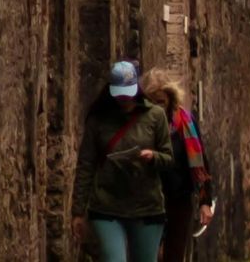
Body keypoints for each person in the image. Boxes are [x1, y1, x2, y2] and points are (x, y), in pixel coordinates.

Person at [73, 60, 176, 262]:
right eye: (119, 93)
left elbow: (169, 158)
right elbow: (85, 166)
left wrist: (153, 157)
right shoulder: (98, 120)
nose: (124, 99)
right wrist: (77, 211)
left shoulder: (155, 116)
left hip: (146, 207)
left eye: (128, 93)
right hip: (107, 207)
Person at [142, 68, 217, 262]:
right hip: (148, 200)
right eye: (152, 102)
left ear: (170, 100)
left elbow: (201, 163)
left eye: (161, 102)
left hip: (179, 199)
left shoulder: (185, 123)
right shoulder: (140, 124)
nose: (157, 107)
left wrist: (205, 202)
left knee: (174, 254)